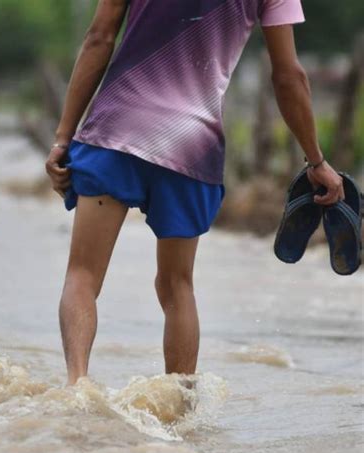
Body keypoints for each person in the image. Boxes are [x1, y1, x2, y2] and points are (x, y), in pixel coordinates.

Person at [45, 0, 345, 385]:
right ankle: (181, 408)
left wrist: (62, 138)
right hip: (192, 144)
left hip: (116, 130)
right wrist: (316, 160)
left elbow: (98, 38)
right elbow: (288, 76)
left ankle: (77, 388)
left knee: (83, 275)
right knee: (176, 286)